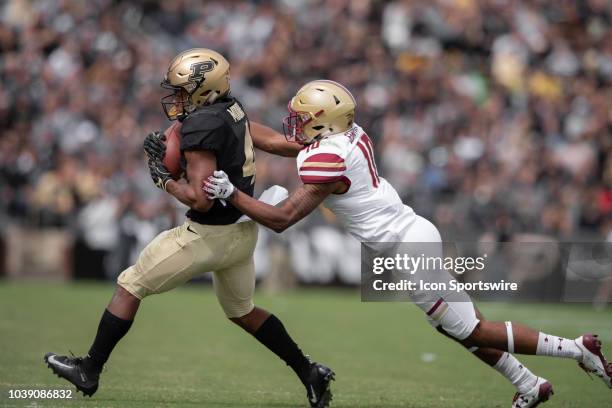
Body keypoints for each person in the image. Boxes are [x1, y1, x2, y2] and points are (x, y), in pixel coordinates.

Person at [204, 79, 612, 408]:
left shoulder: (327, 158)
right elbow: (277, 142)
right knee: (457, 327)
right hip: (411, 233)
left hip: (406, 247)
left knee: (471, 328)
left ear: (324, 122)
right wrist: (229, 120)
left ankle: (578, 349)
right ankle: (528, 384)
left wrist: (232, 195)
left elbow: (282, 219)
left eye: (303, 117)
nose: (294, 122)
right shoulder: (346, 135)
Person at [44, 49, 335, 408]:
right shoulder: (231, 107)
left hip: (208, 236)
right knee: (242, 311)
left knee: (129, 284)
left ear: (204, 90)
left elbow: (201, 199)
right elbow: (262, 141)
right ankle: (309, 371)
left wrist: (164, 179)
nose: (177, 98)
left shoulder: (201, 124)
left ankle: (89, 369)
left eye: (183, 91)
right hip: (243, 234)